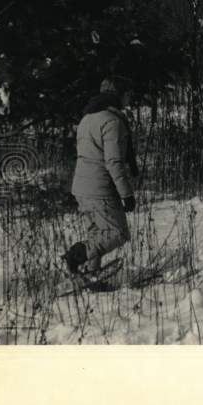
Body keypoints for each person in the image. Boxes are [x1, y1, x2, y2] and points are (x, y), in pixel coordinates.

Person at [63, 76, 139, 279]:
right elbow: (113, 162)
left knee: (97, 234)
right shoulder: (113, 122)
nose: (130, 97)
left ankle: (91, 273)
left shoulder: (87, 118)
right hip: (99, 188)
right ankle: (77, 255)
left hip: (81, 187)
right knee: (118, 233)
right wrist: (127, 194)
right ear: (118, 95)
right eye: (127, 93)